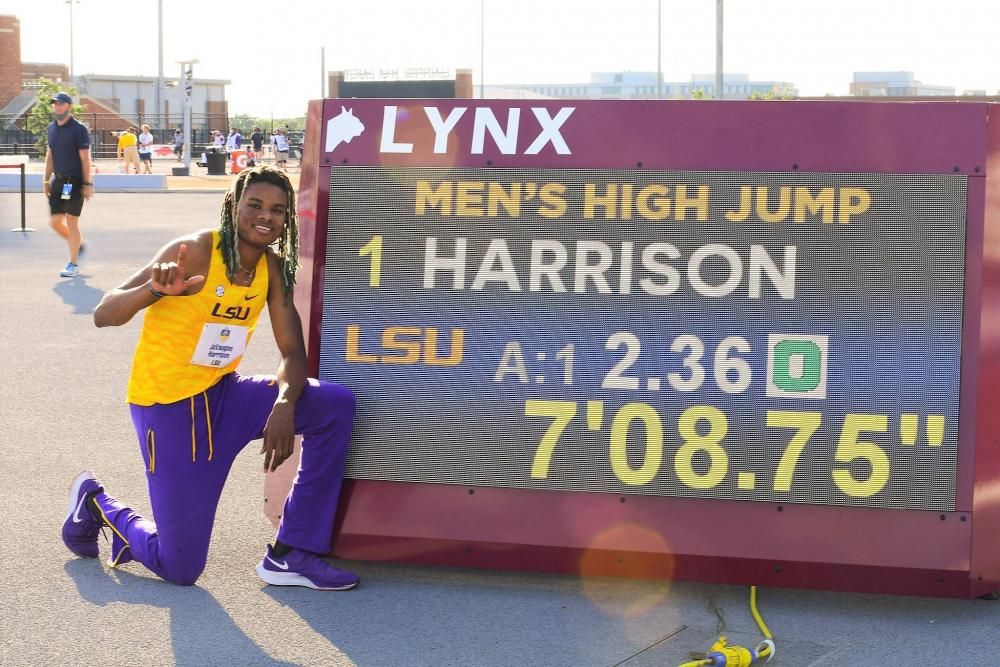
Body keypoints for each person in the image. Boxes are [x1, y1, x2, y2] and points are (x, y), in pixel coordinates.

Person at [63, 165, 359, 590]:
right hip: (169, 410)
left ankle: (290, 552)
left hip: (224, 397)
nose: (265, 216)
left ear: (287, 218)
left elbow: (293, 353)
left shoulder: (272, 269)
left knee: (333, 405)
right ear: (233, 206)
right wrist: (157, 291)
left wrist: (284, 403)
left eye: (277, 210)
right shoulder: (195, 250)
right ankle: (96, 503)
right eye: (254, 204)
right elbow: (104, 314)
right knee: (180, 567)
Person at [44, 91, 93, 278]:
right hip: (58, 180)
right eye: (55, 103)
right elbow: (50, 156)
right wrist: (46, 180)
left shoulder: (78, 129)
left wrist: (87, 183)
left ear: (69, 106)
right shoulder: (51, 129)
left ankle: (73, 263)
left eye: (61, 103)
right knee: (55, 222)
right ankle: (78, 245)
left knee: (72, 221)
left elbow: (85, 159)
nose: (58, 106)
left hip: (73, 182)